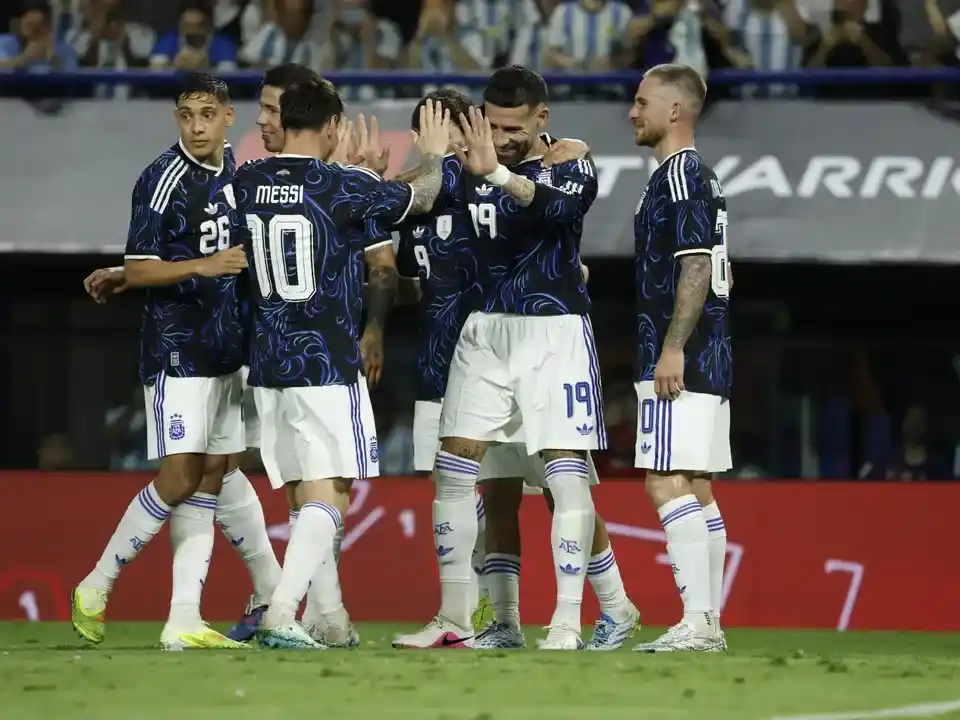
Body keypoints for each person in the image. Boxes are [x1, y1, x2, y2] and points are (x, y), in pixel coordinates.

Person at [230, 81, 451, 649]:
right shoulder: (344, 184)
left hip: (268, 363)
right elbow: (422, 197)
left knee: (306, 492)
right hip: (326, 361)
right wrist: (428, 155)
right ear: (331, 127)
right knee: (332, 494)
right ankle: (281, 610)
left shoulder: (246, 180)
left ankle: (330, 620)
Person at [395, 65, 606, 651]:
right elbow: (417, 201)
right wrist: (436, 160)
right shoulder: (471, 161)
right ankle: (457, 618)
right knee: (456, 466)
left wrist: (501, 174)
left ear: (542, 118)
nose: (502, 135)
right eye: (493, 124)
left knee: (564, 473)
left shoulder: (570, 160)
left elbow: (562, 209)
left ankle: (567, 621)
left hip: (554, 331)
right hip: (484, 331)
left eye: (514, 127)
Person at [72, 73, 249, 651]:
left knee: (212, 475)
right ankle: (96, 584)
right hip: (178, 348)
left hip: (227, 351)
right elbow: (147, 265)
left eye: (206, 113)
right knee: (177, 477)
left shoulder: (236, 175)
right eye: (185, 114)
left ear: (228, 116)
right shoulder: (161, 177)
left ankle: (184, 620)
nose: (195, 125)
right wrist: (198, 266)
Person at [627, 63, 731, 653]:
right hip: (708, 354)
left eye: (643, 101)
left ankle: (696, 622)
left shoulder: (682, 176)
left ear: (674, 111)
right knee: (698, 487)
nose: (632, 111)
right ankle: (707, 622)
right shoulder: (689, 176)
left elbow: (694, 265)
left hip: (679, 357)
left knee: (665, 482)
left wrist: (670, 347)